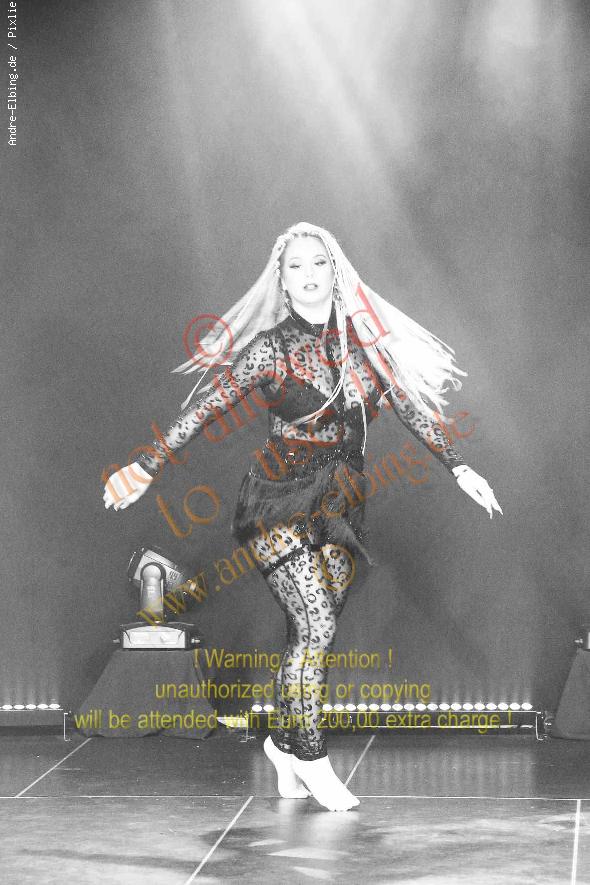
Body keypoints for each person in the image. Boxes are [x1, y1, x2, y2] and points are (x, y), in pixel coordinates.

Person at [103, 221, 502, 812]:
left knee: (308, 635)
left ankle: (283, 748)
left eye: (319, 263)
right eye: (296, 266)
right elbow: (207, 408)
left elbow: (410, 407)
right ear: (282, 281)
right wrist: (146, 465)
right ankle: (313, 758)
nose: (309, 274)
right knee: (316, 625)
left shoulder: (366, 345)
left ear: (335, 271)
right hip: (275, 502)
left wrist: (458, 465)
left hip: (341, 504)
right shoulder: (271, 348)